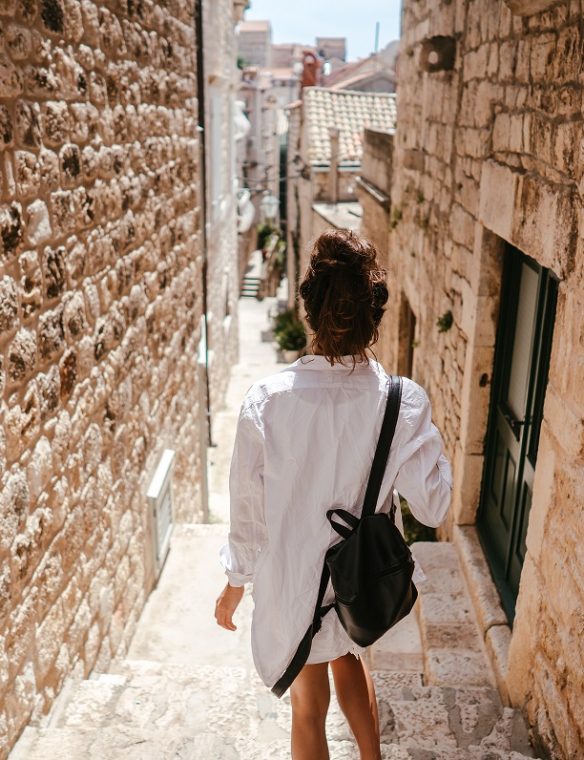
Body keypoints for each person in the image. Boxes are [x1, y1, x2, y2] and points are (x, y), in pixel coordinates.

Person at [215, 229, 452, 760]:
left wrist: (235, 582)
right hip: (358, 574)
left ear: (310, 310)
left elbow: (247, 512)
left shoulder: (267, 402)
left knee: (308, 701)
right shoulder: (403, 401)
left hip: (293, 579)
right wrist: (427, 437)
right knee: (350, 652)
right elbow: (433, 505)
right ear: (375, 317)